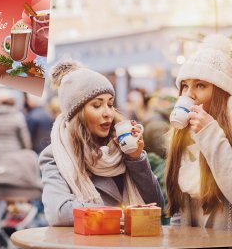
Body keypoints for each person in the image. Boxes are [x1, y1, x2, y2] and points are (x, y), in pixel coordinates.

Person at [39, 61, 164, 226]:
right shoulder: (55, 155)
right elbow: (59, 213)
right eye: (97, 105)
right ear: (77, 113)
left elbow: (157, 205)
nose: (108, 113)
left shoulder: (121, 146)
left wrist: (135, 158)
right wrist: (124, 213)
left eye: (110, 104)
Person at [165, 34, 232, 230]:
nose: (189, 94)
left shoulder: (220, 132)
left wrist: (211, 134)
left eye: (200, 85)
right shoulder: (181, 136)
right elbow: (178, 208)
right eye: (185, 85)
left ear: (221, 92)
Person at [0, 89, 32, 171]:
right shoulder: (18, 116)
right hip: (14, 152)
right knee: (12, 176)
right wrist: (27, 150)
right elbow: (25, 138)